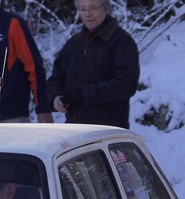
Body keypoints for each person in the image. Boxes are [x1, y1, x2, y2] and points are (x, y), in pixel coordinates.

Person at [47, 0, 139, 129]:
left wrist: (84, 95)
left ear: (106, 9)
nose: (88, 14)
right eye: (83, 9)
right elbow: (56, 78)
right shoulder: (73, 44)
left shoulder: (122, 42)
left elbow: (125, 85)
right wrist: (55, 97)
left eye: (93, 8)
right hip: (74, 128)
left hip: (108, 129)